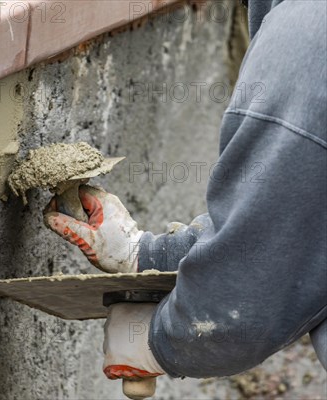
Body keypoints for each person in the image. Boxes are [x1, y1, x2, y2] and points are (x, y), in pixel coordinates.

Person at [43, 0, 327, 383]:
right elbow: (302, 216)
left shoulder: (306, 41)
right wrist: (145, 254)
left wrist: (154, 342)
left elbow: (245, 300)